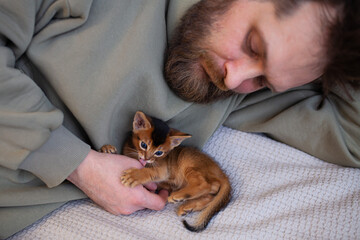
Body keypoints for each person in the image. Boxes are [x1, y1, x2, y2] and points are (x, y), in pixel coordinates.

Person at [0, 0, 358, 238]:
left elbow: (353, 137)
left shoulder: (237, 95)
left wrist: (336, 49)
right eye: (252, 44)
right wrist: (78, 165)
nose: (234, 80)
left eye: (263, 80)